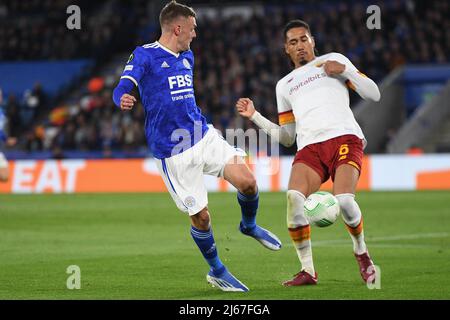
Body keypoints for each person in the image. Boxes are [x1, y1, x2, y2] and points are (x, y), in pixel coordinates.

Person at [112, 0, 281, 292]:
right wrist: (123, 99)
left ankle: (249, 225)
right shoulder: (145, 55)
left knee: (249, 182)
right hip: (172, 151)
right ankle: (217, 270)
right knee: (201, 217)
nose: (195, 34)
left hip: (202, 135)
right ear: (177, 28)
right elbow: (122, 87)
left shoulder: (187, 55)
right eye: (192, 28)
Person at [236, 20, 380, 286]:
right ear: (286, 50)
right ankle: (308, 271)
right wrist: (255, 116)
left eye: (303, 39)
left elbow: (375, 95)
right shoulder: (285, 85)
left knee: (346, 201)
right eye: (293, 42)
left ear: (312, 41)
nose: (299, 46)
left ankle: (362, 253)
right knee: (293, 198)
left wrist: (347, 71)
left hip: (344, 138)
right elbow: (288, 137)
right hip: (310, 148)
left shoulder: (334, 60)